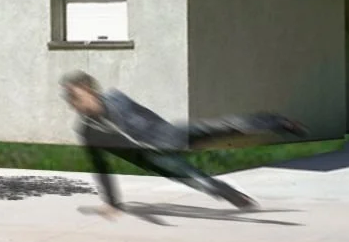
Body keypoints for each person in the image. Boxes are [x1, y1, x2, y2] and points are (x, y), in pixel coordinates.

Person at [60, 71, 305, 216]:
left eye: (78, 95)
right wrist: (112, 203)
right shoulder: (87, 131)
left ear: (90, 89)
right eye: (72, 99)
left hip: (166, 134)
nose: (76, 102)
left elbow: (146, 114)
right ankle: (233, 196)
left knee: (219, 127)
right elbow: (102, 168)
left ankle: (279, 123)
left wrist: (170, 134)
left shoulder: (116, 98)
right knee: (194, 177)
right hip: (153, 158)